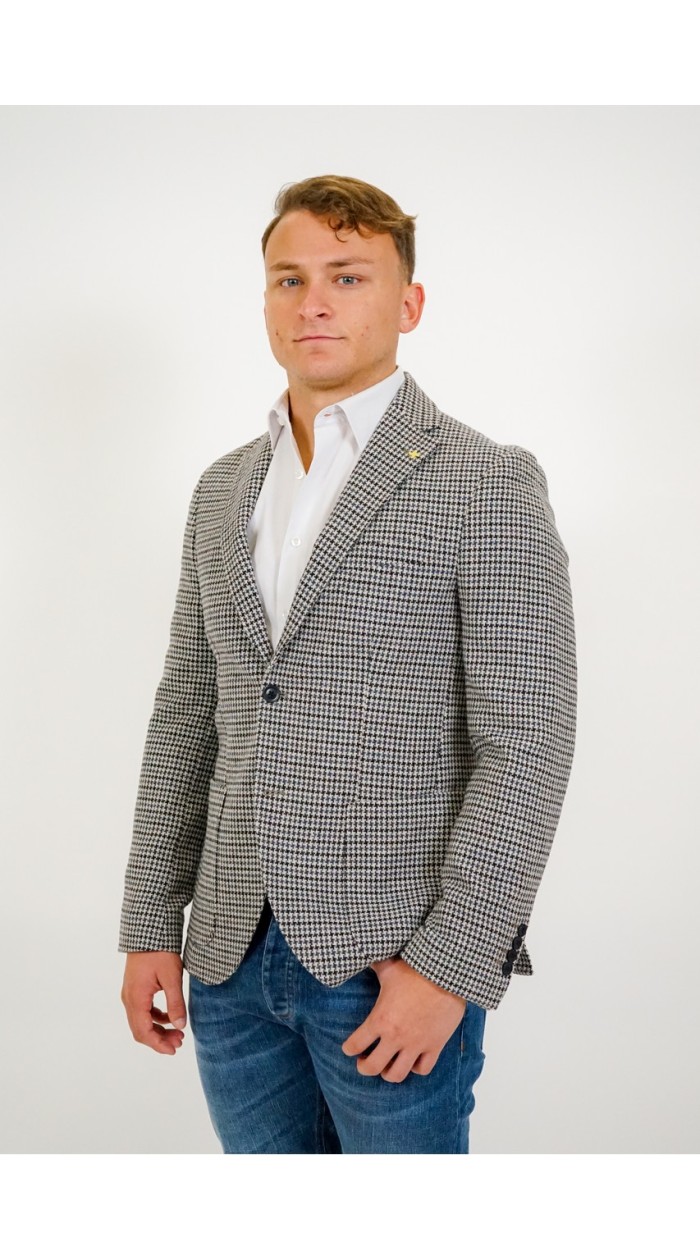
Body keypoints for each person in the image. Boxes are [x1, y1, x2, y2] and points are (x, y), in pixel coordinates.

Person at [119, 173, 577, 1154]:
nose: (314, 302)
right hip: (228, 961)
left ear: (409, 305)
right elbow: (187, 712)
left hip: (392, 962)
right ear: (265, 304)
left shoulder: (485, 481)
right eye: (289, 279)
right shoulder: (220, 490)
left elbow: (527, 742)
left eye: (348, 276)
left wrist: (450, 968)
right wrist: (150, 919)